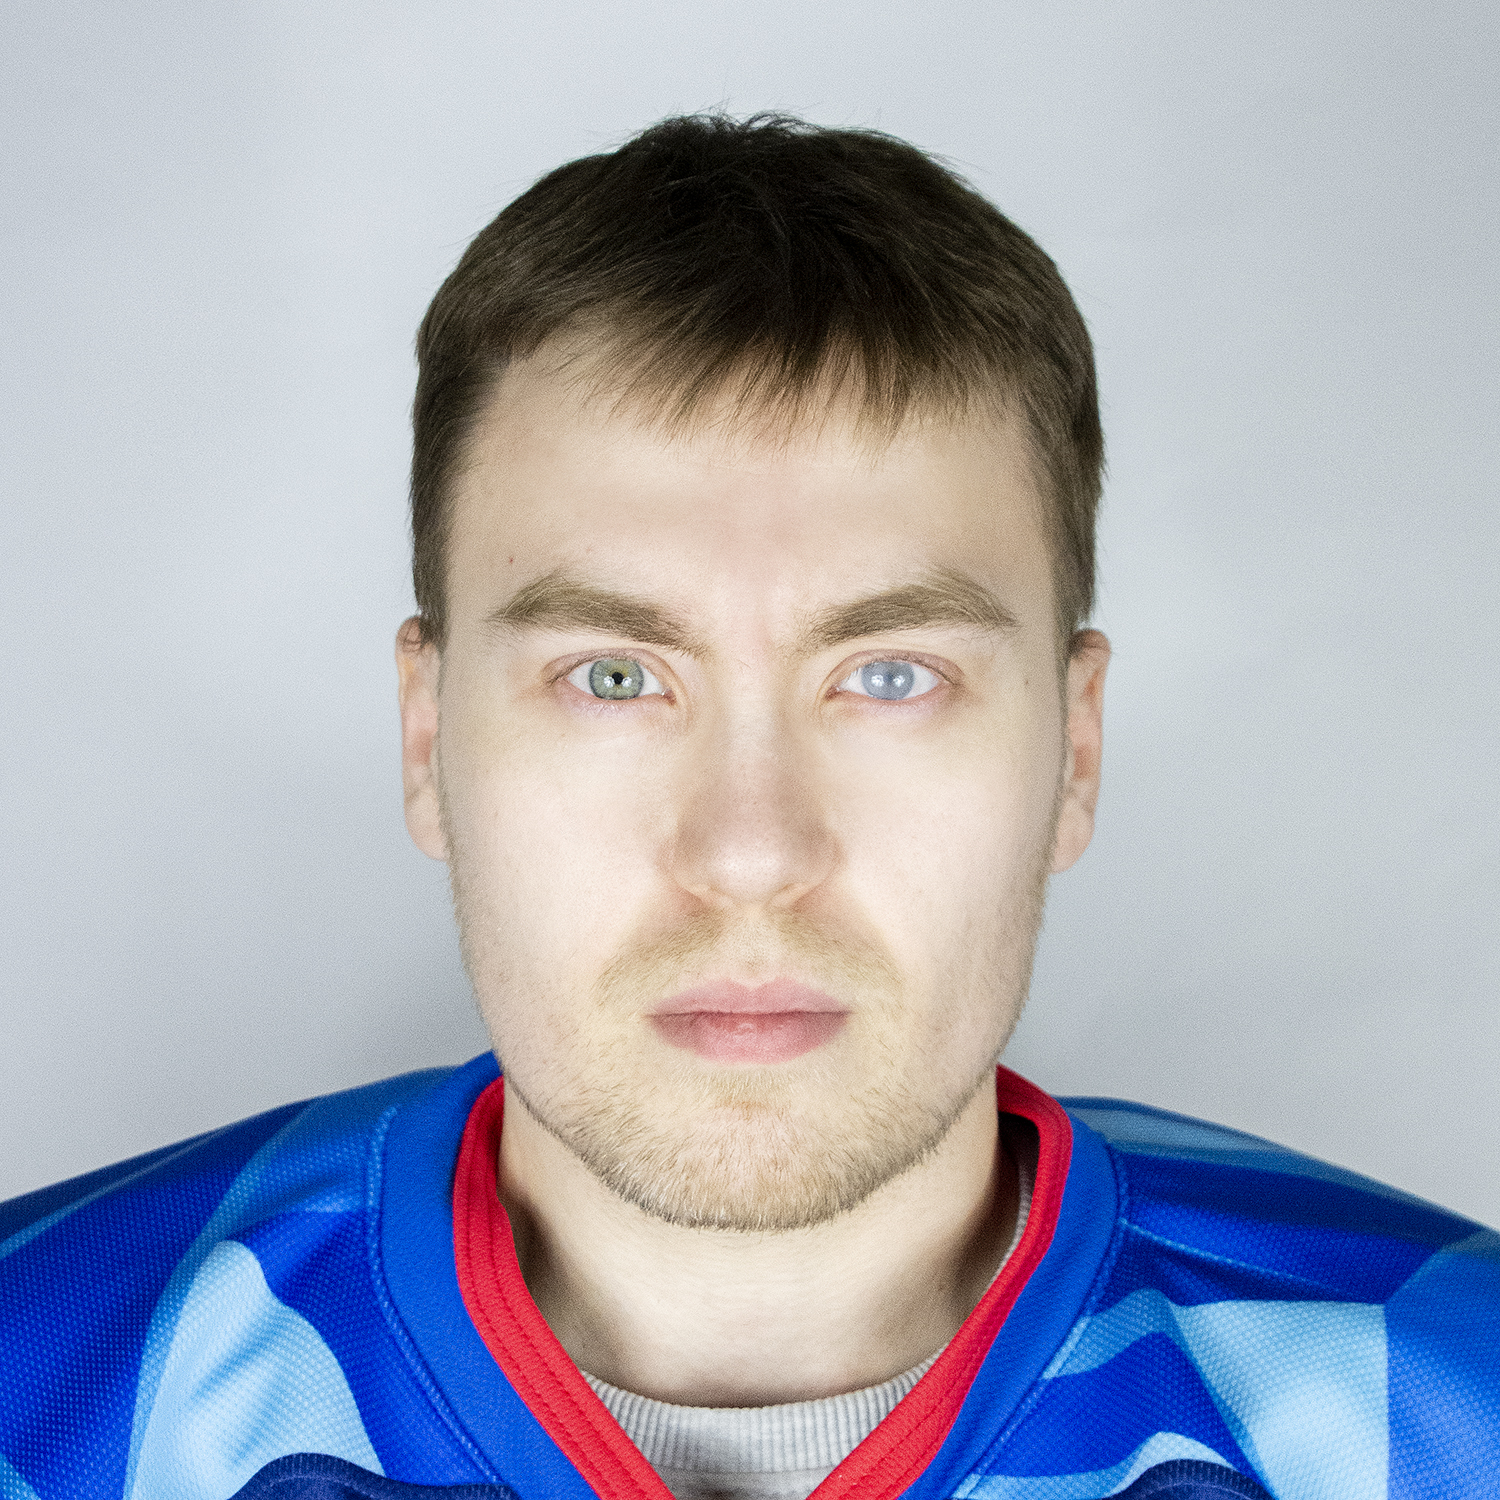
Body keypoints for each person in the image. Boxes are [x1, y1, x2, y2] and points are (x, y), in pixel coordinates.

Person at [0, 114, 1494, 1500]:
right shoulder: (37, 1378)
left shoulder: (1458, 1402)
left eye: (890, 677)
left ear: (1075, 751)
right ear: (427, 737)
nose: (751, 851)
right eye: (614, 678)